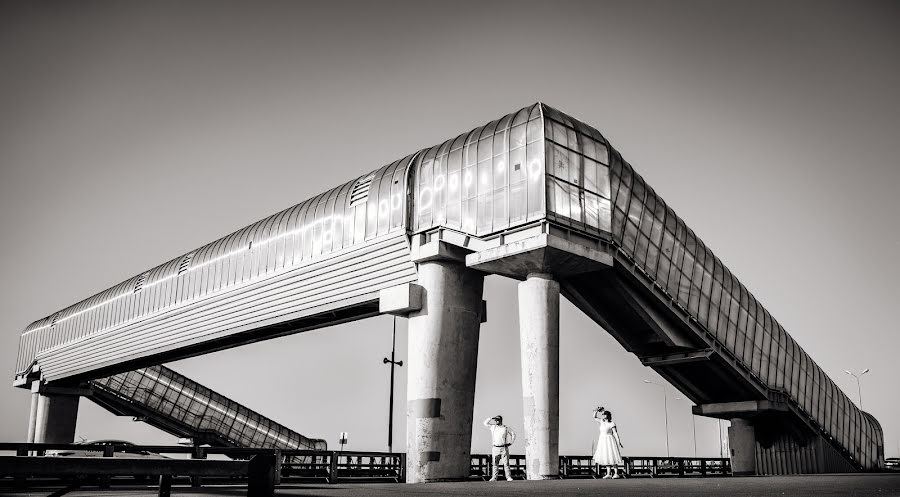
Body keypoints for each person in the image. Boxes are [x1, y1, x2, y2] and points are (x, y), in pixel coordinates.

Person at [592, 407, 625, 479]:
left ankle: (616, 473)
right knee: (606, 456)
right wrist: (596, 411)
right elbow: (594, 417)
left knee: (611, 456)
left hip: (609, 440)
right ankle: (608, 474)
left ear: (608, 415)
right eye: (603, 414)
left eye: (604, 414)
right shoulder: (601, 421)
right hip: (602, 440)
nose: (603, 415)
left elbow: (615, 433)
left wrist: (619, 442)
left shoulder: (612, 423)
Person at [483, 415, 516, 481]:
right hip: (495, 448)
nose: (496, 421)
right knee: (495, 463)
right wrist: (491, 418)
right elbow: (485, 423)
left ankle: (508, 477)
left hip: (504, 447)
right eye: (495, 420)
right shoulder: (493, 427)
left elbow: (513, 434)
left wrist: (510, 443)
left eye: (498, 420)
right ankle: (494, 477)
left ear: (501, 420)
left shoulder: (505, 428)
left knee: (506, 463)